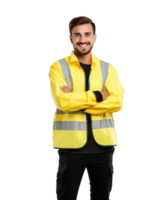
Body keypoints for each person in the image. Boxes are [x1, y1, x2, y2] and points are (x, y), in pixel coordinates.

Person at [48, 16, 126, 200]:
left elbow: (118, 102)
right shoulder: (58, 67)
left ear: (95, 37)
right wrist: (99, 95)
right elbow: (63, 102)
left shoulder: (109, 68)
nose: (83, 39)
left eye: (87, 34)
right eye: (77, 35)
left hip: (104, 148)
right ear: (70, 39)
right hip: (70, 147)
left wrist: (77, 101)